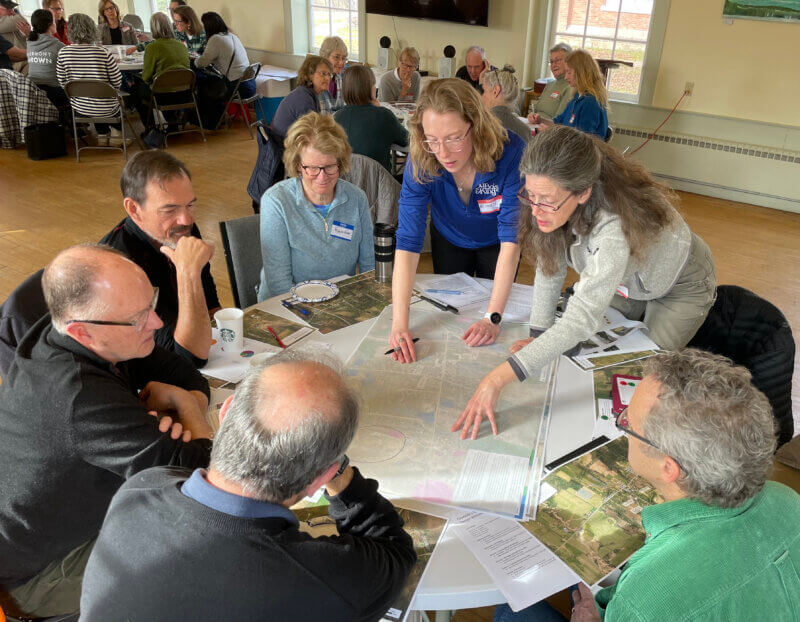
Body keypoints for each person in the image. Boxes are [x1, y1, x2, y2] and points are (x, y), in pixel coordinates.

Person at [79, 350, 416, 622]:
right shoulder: (318, 578)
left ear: (225, 414)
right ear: (320, 478)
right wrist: (341, 475)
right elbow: (395, 552)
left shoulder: (141, 488)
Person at [494, 349, 800, 622]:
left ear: (669, 468)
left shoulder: (645, 598)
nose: (622, 423)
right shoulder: (787, 499)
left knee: (510, 610)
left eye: (627, 422)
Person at [454, 125, 716, 439]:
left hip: (678, 285)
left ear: (583, 192)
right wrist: (539, 333)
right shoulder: (552, 202)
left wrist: (496, 379)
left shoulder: (613, 224)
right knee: (584, 353)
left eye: (546, 200)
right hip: (628, 281)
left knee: (646, 376)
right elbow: (550, 266)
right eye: (530, 195)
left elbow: (581, 319)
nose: (536, 210)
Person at [0, 244, 213, 618]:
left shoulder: (74, 330)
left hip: (60, 517)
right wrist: (191, 411)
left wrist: (181, 397)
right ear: (83, 332)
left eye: (153, 303)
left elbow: (184, 373)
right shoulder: (78, 394)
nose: (156, 323)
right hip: (37, 576)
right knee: (207, 554)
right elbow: (201, 473)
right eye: (138, 317)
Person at [389, 78, 525, 363]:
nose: (443, 152)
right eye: (433, 139)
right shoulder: (422, 157)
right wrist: (399, 323)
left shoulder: (512, 153)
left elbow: (512, 241)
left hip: (497, 245)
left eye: (454, 138)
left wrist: (492, 317)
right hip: (448, 238)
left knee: (489, 327)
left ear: (476, 125)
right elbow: (408, 243)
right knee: (452, 314)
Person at [257, 112, 375, 300]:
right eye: (311, 168)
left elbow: (370, 266)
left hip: (341, 301)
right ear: (297, 165)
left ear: (340, 162)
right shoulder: (277, 201)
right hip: (286, 304)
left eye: (329, 166)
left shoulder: (356, 199)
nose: (322, 177)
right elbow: (279, 283)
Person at [56, 12, 126, 146]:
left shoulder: (63, 52)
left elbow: (62, 82)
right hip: (107, 107)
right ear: (92, 29)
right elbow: (117, 81)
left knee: (92, 98)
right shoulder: (102, 52)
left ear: (70, 30)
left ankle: (102, 135)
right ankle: (116, 134)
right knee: (111, 98)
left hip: (80, 107)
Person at [335, 63, 408, 172]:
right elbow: (406, 139)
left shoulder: (336, 118)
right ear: (370, 88)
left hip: (346, 183)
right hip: (380, 184)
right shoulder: (385, 116)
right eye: (374, 84)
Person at [529, 49, 608, 140]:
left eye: (569, 72)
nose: (566, 77)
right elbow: (558, 122)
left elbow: (582, 142)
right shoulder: (577, 96)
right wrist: (541, 120)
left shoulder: (590, 103)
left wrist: (549, 133)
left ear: (581, 73)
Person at [129, 12, 189, 129]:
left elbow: (146, 77)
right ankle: (172, 123)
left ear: (153, 28)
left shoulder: (152, 47)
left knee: (135, 90)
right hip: (184, 93)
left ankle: (151, 128)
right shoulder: (182, 46)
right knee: (164, 84)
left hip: (162, 95)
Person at [194, 11, 252, 128]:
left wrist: (194, 60)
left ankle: (210, 123)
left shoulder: (215, 39)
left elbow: (202, 63)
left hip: (236, 87)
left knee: (203, 85)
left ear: (208, 27)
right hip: (250, 85)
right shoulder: (232, 36)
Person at [270, 54, 330, 138]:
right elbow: (311, 135)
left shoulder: (306, 92)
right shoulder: (304, 98)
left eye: (329, 74)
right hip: (284, 147)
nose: (327, 78)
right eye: (323, 74)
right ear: (310, 75)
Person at [25, 9, 67, 108]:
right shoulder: (58, 45)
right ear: (50, 24)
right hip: (53, 92)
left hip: (33, 91)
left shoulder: (30, 42)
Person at [480, 64, 531, 143]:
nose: (482, 97)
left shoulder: (480, 126)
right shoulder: (526, 131)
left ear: (495, 91)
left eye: (484, 91)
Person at [531, 42, 572, 120]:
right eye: (551, 62)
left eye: (557, 60)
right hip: (535, 126)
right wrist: (531, 116)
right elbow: (536, 110)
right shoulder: (550, 84)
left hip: (550, 130)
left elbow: (559, 121)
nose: (553, 65)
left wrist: (539, 120)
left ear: (568, 62)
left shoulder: (570, 87)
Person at [318, 34, 347, 115]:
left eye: (344, 58)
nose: (341, 62)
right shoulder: (316, 81)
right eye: (336, 57)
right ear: (325, 57)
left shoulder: (342, 77)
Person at [0, 0, 29, 72]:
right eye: (8, 9)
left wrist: (28, 34)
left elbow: (26, 41)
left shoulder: (10, 21)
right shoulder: (3, 22)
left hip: (26, 59)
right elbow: (22, 20)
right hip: (17, 65)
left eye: (13, 8)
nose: (12, 12)